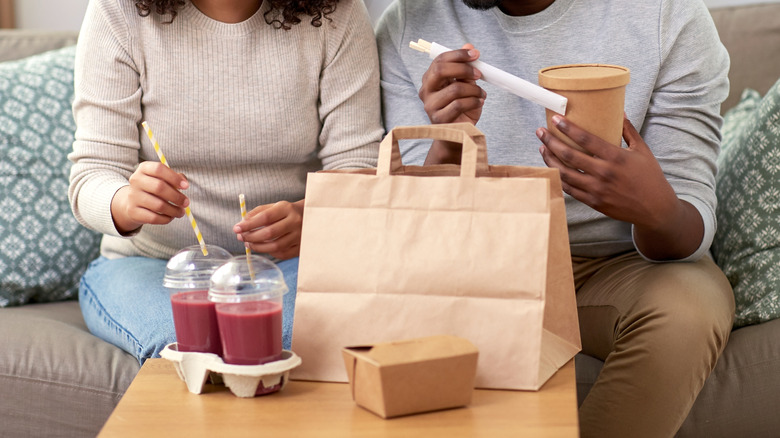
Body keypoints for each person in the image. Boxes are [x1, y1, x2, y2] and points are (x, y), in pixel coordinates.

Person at [375, 0, 735, 436]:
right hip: (479, 268)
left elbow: (689, 221)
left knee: (691, 309)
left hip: (618, 267)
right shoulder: (408, 24)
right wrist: (450, 145)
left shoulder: (667, 15)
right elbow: (414, 228)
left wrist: (654, 208)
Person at [68, 0, 383, 365]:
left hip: (289, 265)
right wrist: (125, 202)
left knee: (279, 338)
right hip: (152, 264)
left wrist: (316, 217)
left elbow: (359, 165)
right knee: (188, 343)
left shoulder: (336, 13)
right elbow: (91, 175)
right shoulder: (117, 11)